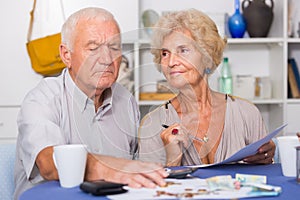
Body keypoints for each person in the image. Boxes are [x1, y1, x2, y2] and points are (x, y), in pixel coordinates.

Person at [14, 7, 167, 200]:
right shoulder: (42, 98)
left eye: (114, 47)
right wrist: (110, 169)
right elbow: (49, 164)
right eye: (93, 48)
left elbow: (139, 165)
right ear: (66, 55)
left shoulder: (126, 100)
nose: (106, 59)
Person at [138, 9, 276, 167]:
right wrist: (173, 160)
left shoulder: (247, 113)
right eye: (165, 53)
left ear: (206, 56)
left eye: (183, 50)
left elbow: (266, 178)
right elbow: (151, 190)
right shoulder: (153, 124)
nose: (171, 62)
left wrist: (267, 156)